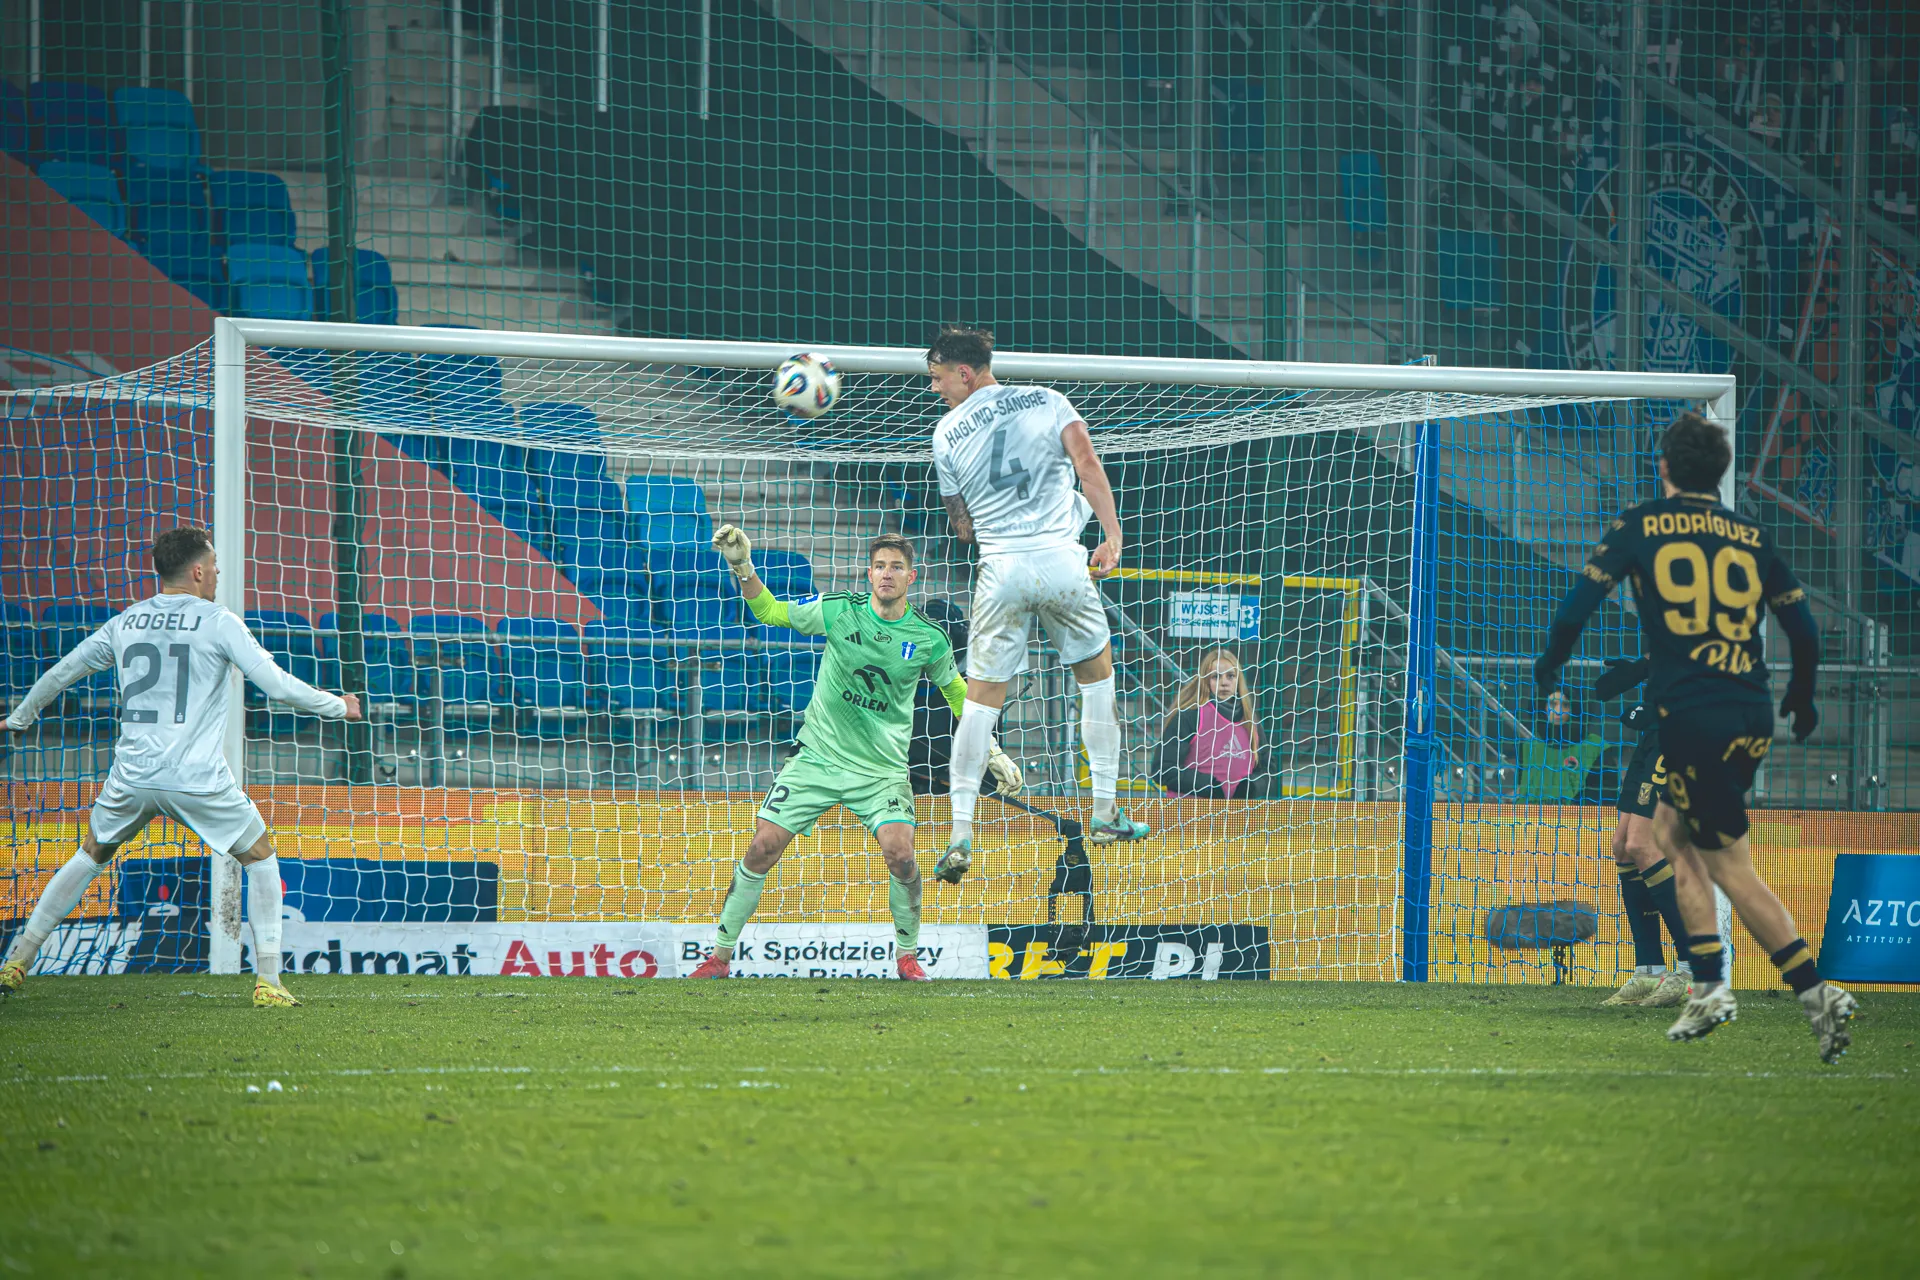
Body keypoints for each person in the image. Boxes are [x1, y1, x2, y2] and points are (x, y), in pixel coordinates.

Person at [1534, 412, 1854, 1063]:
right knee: (1675, 837)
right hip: (1750, 712)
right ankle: (1707, 984)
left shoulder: (1643, 524)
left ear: (1665, 467)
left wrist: (1550, 667)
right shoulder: (1751, 535)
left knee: (1713, 860)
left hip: (1692, 713)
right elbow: (1803, 631)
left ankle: (1798, 991)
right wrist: (1801, 697)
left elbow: (1573, 612)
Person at [1, 527, 362, 1007]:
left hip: (132, 776)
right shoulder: (219, 621)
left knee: (90, 854)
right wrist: (339, 706)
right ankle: (269, 982)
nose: (217, 573)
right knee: (260, 857)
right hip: (195, 778)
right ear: (196, 571)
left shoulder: (127, 621)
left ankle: (18, 959)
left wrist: (20, 717)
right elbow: (276, 686)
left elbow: (63, 671)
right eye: (213, 566)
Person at [688, 529, 1020, 980]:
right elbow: (769, 611)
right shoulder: (839, 610)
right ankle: (719, 958)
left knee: (902, 855)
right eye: (880, 566)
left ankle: (907, 957)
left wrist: (991, 749)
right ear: (869, 573)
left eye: (896, 567)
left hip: (881, 770)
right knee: (762, 847)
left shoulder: (928, 637)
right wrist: (742, 566)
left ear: (911, 577)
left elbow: (957, 693)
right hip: (818, 758)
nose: (887, 574)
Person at [926, 324, 1148, 887]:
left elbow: (962, 527)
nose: (935, 389)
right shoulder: (1049, 401)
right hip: (1061, 563)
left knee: (980, 705)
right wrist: (1111, 535)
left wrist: (996, 518)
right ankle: (1104, 810)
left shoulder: (945, 433)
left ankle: (960, 832)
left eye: (938, 378)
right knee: (1097, 681)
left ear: (964, 373)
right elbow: (1088, 464)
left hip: (1002, 570)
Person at [1592, 656, 1693, 1008]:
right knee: (1622, 846)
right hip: (1654, 739)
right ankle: (1649, 970)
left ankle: (1694, 967)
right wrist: (1638, 669)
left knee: (1641, 845)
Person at [1152, 648, 1273, 799]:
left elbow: (1268, 770)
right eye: (1216, 677)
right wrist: (1209, 786)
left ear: (1238, 680)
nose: (1224, 683)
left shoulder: (1251, 722)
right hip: (1189, 809)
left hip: (1237, 811)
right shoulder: (1189, 716)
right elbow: (1162, 769)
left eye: (1230, 676)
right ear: (1206, 681)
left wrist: (1250, 787)